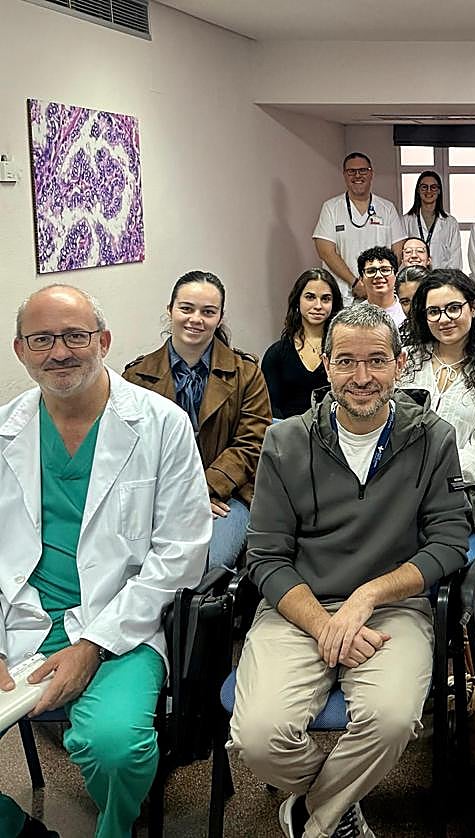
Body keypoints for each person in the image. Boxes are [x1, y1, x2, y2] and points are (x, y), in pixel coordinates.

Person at [229, 303, 469, 838]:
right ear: (327, 366)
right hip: (298, 608)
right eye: (346, 362)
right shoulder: (285, 440)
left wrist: (366, 599)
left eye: (377, 361)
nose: (362, 378)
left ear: (399, 365)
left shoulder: (433, 437)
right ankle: (338, 804)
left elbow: (451, 543)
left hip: (392, 608)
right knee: (258, 738)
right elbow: (265, 555)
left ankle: (311, 817)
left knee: (390, 720)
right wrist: (324, 624)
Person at [0, 284, 209, 838]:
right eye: (41, 340)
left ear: (105, 341)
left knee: (115, 749)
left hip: (120, 624)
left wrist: (93, 647)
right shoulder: (4, 431)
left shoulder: (163, 425)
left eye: (75, 336)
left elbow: (181, 555)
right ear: (20, 352)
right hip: (19, 621)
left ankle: (116, 827)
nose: (59, 352)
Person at [124, 271, 270, 570]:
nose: (195, 319)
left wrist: (201, 490)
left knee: (205, 567)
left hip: (225, 497)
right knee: (132, 565)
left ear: (219, 318)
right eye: (186, 309)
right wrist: (177, 499)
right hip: (156, 500)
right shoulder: (135, 378)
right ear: (170, 310)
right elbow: (129, 454)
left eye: (208, 312)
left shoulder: (247, 373)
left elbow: (252, 444)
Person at [400, 270, 475, 521]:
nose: (444, 319)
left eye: (453, 308)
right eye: (434, 311)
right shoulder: (406, 360)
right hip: (394, 486)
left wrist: (429, 476)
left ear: (473, 307)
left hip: (453, 495)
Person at [313, 152, 404, 304]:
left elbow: (398, 251)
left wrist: (376, 282)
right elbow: (325, 251)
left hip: (379, 293)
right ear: (344, 175)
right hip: (343, 294)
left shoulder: (387, 208)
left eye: (363, 170)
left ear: (371, 173)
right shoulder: (331, 208)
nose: (357, 175)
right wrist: (355, 283)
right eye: (351, 171)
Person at [261, 268, 345, 420]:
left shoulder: (344, 350)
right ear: (297, 301)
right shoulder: (276, 353)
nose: (318, 305)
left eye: (325, 299)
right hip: (287, 434)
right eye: (310, 297)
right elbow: (269, 406)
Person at [399, 171, 462, 270]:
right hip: (414, 278)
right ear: (418, 191)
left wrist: (449, 283)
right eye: (424, 187)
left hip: (442, 280)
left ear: (439, 191)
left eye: (433, 187)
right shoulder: (406, 221)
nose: (429, 191)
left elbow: (455, 259)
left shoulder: (450, 222)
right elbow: (402, 256)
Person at [357, 246, 405, 329]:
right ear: (361, 279)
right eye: (371, 271)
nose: (378, 276)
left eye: (385, 270)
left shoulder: (407, 312)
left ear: (396, 275)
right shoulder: (354, 316)